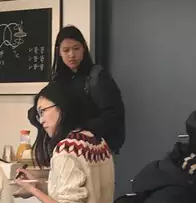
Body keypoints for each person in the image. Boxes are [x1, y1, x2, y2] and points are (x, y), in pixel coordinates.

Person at [14, 82, 115, 203]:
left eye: (42, 111)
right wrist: (39, 185)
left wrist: (33, 190)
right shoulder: (99, 142)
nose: (41, 120)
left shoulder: (66, 149)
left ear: (61, 107)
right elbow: (82, 197)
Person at [28, 26, 125, 154]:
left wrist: (80, 129)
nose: (71, 55)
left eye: (76, 49)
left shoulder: (97, 76)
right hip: (68, 149)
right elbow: (36, 110)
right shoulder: (58, 80)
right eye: (66, 50)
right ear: (59, 52)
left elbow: (113, 116)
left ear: (83, 49)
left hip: (98, 149)